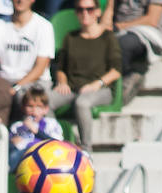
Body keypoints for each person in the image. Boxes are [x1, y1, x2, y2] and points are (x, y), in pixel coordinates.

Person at [48, 0, 122, 154]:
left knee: (82, 103)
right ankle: (59, 141)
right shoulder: (71, 38)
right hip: (73, 88)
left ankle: (87, 151)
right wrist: (62, 82)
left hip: (101, 89)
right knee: (44, 101)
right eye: (80, 9)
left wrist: (96, 84)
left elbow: (116, 71)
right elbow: (61, 68)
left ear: (97, 12)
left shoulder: (108, 37)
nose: (85, 13)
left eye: (89, 9)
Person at [101, 0, 162, 105]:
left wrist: (117, 27)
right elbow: (105, 24)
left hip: (148, 32)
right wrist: (110, 5)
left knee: (122, 44)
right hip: (120, 31)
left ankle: (126, 80)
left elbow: (151, 20)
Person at [0, 0, 55, 94]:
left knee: (21, 97)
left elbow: (40, 69)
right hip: (4, 81)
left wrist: (15, 88)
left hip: (35, 83)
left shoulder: (44, 26)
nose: (20, 0)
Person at [8, 86, 63, 170]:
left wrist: (37, 132)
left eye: (38, 107)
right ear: (23, 108)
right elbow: (9, 140)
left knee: (16, 154)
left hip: (42, 156)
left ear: (45, 109)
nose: (34, 110)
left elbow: (57, 143)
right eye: (30, 106)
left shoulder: (50, 123)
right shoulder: (18, 126)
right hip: (19, 155)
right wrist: (13, 140)